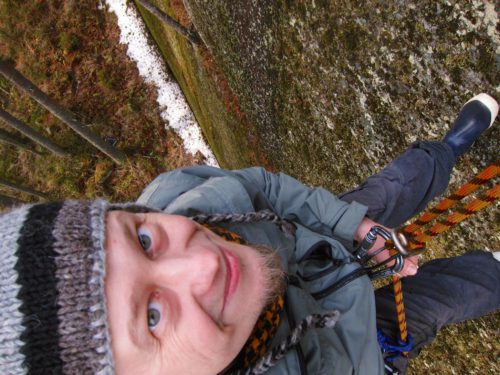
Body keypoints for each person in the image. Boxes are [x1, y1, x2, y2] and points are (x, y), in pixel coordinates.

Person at [0, 94, 498, 375]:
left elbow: (260, 187)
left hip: (317, 241)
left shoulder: (178, 198)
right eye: (151, 316)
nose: (207, 260)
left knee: (390, 190)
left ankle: (446, 150)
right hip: (360, 348)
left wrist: (354, 227)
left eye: (143, 241)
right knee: (445, 300)